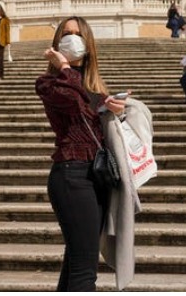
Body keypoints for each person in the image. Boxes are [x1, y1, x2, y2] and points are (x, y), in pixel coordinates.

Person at [35, 16, 129, 292]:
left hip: (98, 175)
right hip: (71, 175)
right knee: (85, 271)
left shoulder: (95, 88)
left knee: (77, 265)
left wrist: (117, 111)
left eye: (77, 34)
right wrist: (63, 65)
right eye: (66, 33)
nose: (72, 38)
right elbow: (75, 100)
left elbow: (94, 117)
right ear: (56, 43)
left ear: (87, 42)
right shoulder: (48, 84)